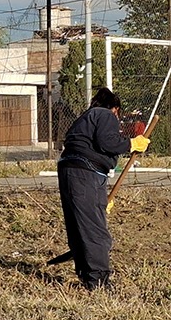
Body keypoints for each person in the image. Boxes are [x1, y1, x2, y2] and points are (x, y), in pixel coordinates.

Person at [56, 87, 149, 291]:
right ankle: (99, 280)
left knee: (79, 225)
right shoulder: (105, 114)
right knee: (95, 230)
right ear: (115, 108)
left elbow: (93, 146)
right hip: (85, 173)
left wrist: (99, 198)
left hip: (70, 170)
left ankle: (87, 275)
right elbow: (108, 143)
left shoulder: (85, 118)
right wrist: (131, 143)